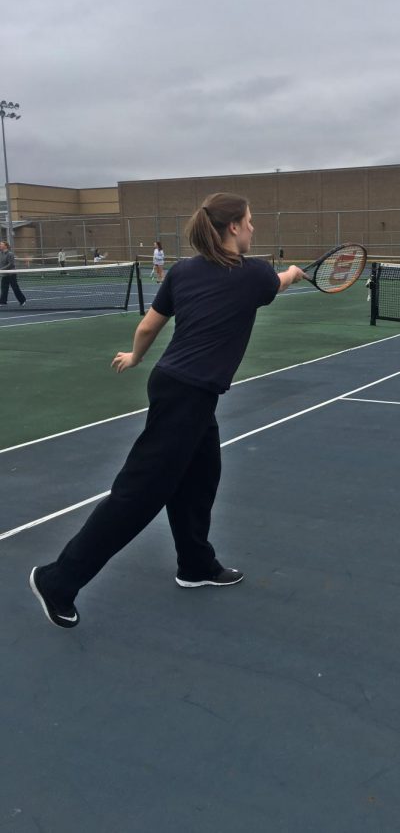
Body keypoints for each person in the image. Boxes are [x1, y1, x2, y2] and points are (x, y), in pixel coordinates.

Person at [29, 193, 305, 628]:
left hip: (178, 386)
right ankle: (58, 579)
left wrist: (136, 357)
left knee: (200, 478)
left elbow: (147, 326)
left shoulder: (184, 270)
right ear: (233, 227)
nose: (253, 228)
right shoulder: (254, 275)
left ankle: (195, 564)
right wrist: (293, 271)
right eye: (250, 221)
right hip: (186, 396)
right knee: (139, 494)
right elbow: (280, 281)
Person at [0, 240, 27, 307]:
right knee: (4, 288)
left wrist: (1, 269)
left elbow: (11, 264)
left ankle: (22, 300)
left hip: (11, 274)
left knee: (15, 288)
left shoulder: (10, 254)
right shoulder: (1, 254)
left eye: (1, 244)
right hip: (4, 274)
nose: (0, 245)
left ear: (5, 246)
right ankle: (3, 302)